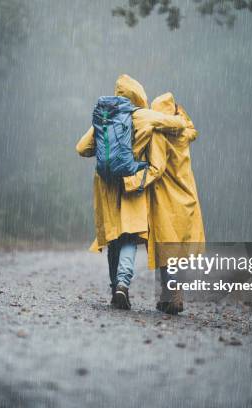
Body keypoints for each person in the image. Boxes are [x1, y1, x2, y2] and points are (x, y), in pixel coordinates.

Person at [76, 75, 188, 310]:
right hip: (132, 186)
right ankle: (123, 286)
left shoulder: (105, 117)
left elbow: (82, 148)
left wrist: (107, 154)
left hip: (106, 185)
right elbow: (178, 125)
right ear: (138, 95)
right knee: (129, 236)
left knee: (114, 237)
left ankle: (114, 286)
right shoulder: (143, 115)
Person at [122, 92, 205, 314]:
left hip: (166, 197)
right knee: (179, 248)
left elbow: (156, 169)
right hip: (187, 195)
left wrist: (131, 182)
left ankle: (172, 294)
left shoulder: (160, 135)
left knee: (164, 246)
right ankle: (167, 295)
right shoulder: (183, 135)